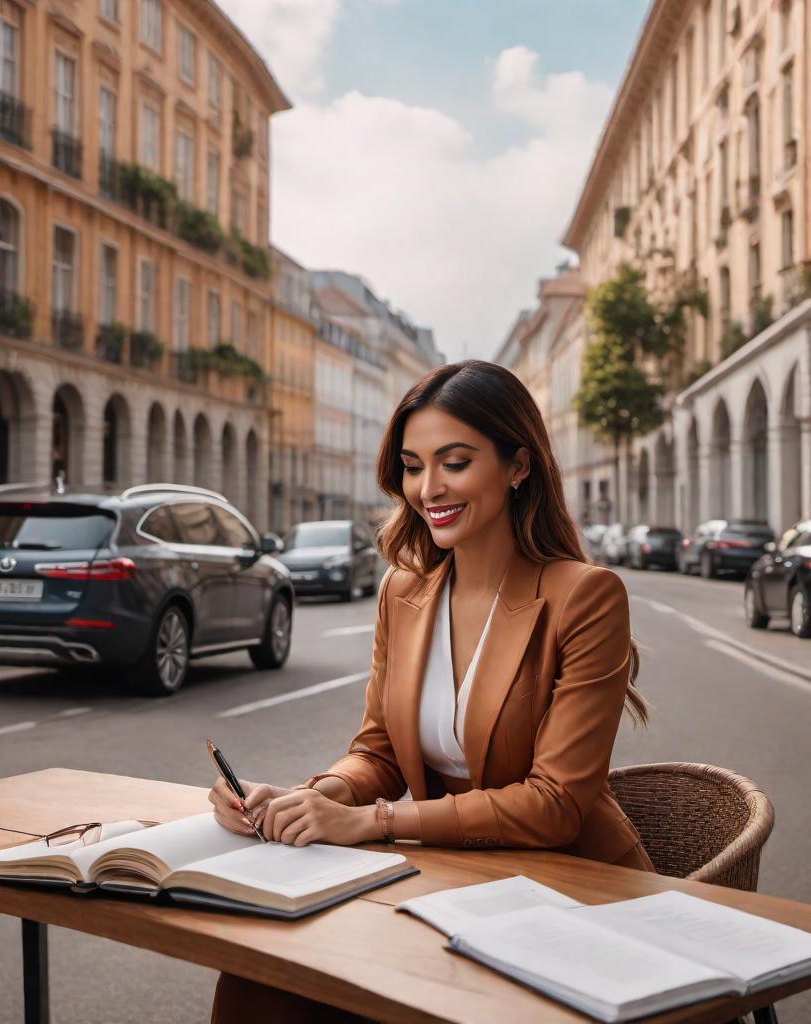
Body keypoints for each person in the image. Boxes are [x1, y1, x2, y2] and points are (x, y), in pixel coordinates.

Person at [207, 361, 655, 1022]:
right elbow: (380, 752)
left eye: (455, 461)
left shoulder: (584, 597)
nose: (428, 487)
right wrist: (312, 798)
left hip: (574, 889)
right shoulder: (403, 591)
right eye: (414, 466)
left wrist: (373, 823)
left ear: (518, 466)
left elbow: (554, 804)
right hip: (452, 880)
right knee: (260, 972)